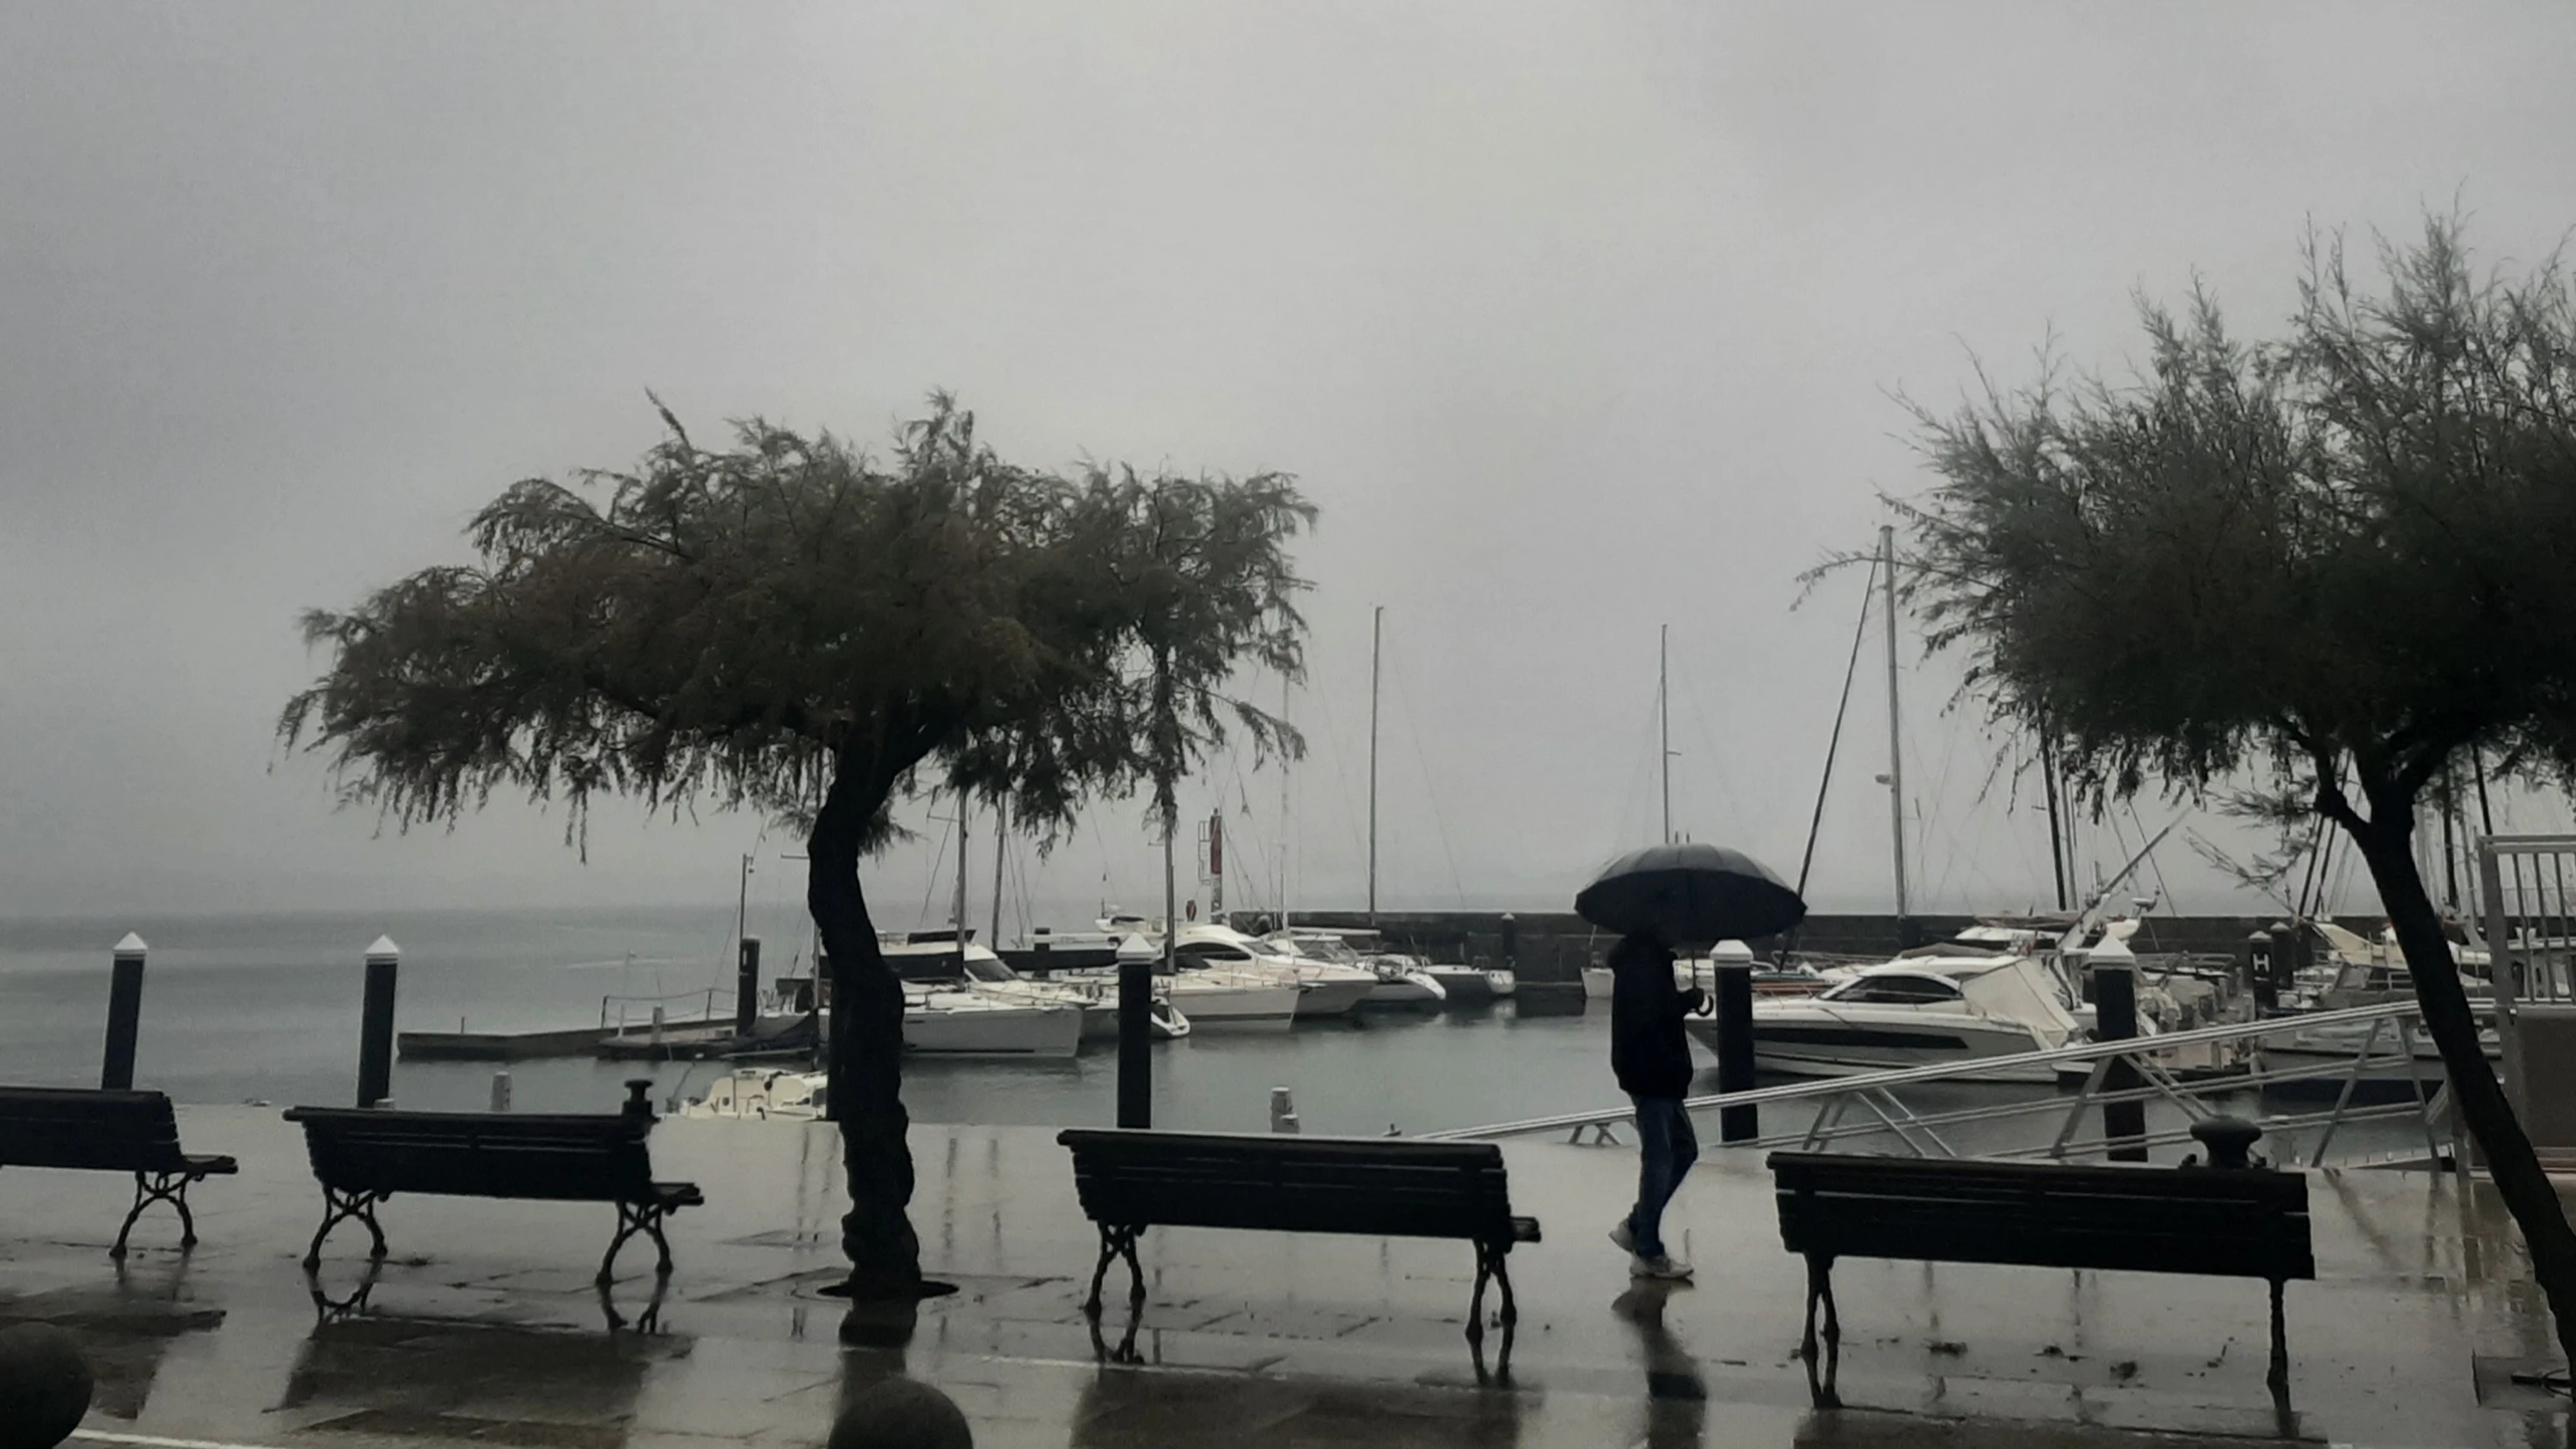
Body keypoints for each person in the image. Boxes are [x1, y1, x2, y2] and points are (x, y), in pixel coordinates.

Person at [1607, 927, 1703, 1279]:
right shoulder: (1642, 964)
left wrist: (1681, 1001)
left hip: (1660, 1074)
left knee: (1684, 1150)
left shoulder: (1648, 961)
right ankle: (1646, 1249)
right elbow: (1650, 1018)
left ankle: (1636, 1225)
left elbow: (1653, 1012)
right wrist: (1684, 1002)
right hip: (1653, 1073)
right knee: (1661, 1158)